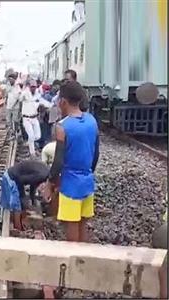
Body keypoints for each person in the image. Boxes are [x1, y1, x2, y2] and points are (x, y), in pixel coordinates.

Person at [46, 80, 99, 242]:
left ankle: (73, 262)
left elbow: (58, 160)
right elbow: (96, 154)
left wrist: (50, 184)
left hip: (70, 184)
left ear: (63, 102)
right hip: (87, 180)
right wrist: (88, 172)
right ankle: (83, 262)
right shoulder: (92, 121)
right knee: (83, 224)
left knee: (72, 225)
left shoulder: (62, 126)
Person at [0, 159, 50, 231]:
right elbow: (21, 180)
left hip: (14, 178)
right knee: (16, 206)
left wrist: (32, 201)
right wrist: (22, 198)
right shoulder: (43, 175)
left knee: (21, 203)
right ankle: (18, 229)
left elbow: (33, 185)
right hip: (11, 178)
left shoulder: (45, 172)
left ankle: (18, 224)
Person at [20, 80, 52, 156]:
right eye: (32, 87)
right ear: (29, 87)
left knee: (38, 136)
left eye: (34, 87)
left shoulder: (38, 95)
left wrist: (51, 105)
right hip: (26, 118)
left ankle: (29, 142)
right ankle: (32, 153)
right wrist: (23, 93)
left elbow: (43, 102)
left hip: (34, 118)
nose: (33, 88)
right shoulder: (25, 94)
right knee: (31, 135)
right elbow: (20, 99)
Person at [6, 73, 21, 139]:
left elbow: (18, 98)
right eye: (9, 80)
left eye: (11, 79)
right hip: (9, 106)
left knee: (15, 120)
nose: (10, 81)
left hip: (15, 107)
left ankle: (16, 131)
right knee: (8, 121)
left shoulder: (17, 87)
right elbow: (7, 94)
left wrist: (14, 105)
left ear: (14, 79)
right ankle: (12, 133)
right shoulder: (8, 86)